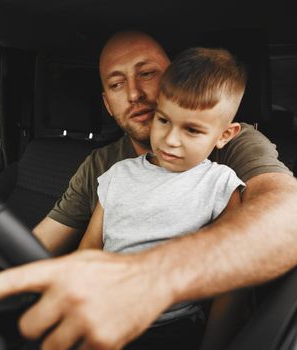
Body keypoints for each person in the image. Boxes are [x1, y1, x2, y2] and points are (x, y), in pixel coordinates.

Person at [0, 31, 297, 350]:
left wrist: (151, 277)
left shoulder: (232, 147)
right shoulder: (108, 168)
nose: (134, 93)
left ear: (172, 78)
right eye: (117, 84)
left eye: (147, 74)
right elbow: (44, 246)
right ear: (107, 102)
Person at [77, 47, 247, 349]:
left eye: (192, 130)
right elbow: (90, 250)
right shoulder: (118, 175)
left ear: (224, 135)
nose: (170, 140)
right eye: (163, 120)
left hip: (172, 331)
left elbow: (231, 281)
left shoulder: (220, 185)